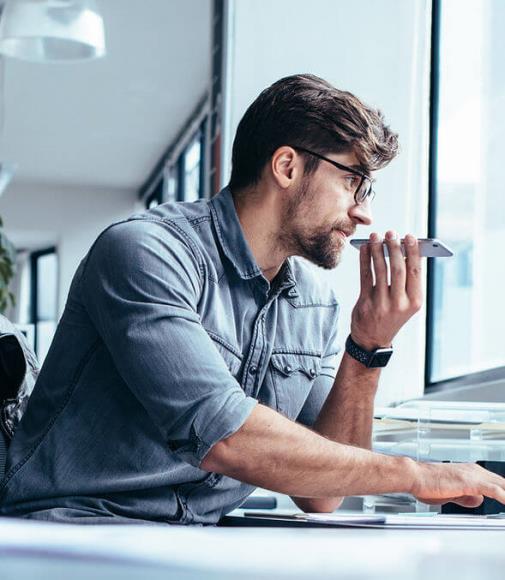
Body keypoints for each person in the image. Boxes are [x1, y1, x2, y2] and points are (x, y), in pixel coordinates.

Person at [1, 74, 504, 524]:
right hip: (70, 527)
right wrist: (415, 474)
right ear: (286, 166)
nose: (363, 213)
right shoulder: (145, 252)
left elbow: (322, 497)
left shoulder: (314, 305)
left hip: (190, 539)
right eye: (354, 182)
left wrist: (368, 347)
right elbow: (225, 435)